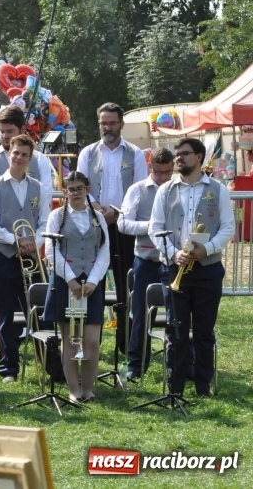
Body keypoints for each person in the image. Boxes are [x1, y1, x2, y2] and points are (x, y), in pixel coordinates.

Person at [0, 105, 54, 363]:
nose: (4, 136)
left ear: (22, 130)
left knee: (35, 297)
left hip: (32, 243)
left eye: (10, 131)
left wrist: (32, 241)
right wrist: (13, 238)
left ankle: (44, 353)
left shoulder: (40, 161)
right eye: (2, 131)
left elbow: (45, 200)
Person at [149, 138, 233, 398]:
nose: (178, 159)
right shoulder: (166, 190)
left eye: (184, 154)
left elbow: (228, 228)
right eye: (177, 155)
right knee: (176, 329)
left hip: (207, 269)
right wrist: (173, 255)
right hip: (177, 269)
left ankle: (202, 386)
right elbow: (155, 228)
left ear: (199, 157)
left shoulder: (218, 189)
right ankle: (175, 386)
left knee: (204, 330)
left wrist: (205, 250)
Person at [76, 102, 147, 352]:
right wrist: (98, 210)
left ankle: (126, 342)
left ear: (121, 124)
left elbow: (140, 190)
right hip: (94, 226)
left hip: (124, 226)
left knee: (125, 284)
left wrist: (117, 214)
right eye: (104, 123)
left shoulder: (136, 154)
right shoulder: (88, 152)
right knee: (92, 282)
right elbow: (80, 187)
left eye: (112, 123)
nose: (108, 127)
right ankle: (90, 342)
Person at [0, 134, 51, 383]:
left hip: (31, 258)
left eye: (25, 154)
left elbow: (45, 222)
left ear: (30, 158)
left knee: (38, 311)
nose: (20, 158)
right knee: (4, 315)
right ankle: (8, 368)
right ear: (9, 154)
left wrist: (35, 242)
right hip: (3, 255)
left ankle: (50, 363)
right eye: (16, 153)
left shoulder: (39, 188)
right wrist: (16, 241)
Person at [43, 171, 110, 403]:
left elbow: (104, 249)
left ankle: (89, 388)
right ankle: (74, 390)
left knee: (91, 339)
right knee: (71, 339)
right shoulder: (56, 216)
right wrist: (71, 279)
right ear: (64, 192)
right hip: (66, 282)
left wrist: (93, 280)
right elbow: (51, 250)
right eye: (71, 189)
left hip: (91, 282)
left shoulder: (98, 217)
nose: (75, 193)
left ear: (87, 190)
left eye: (80, 189)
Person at [118, 147, 174, 380]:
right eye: (158, 172)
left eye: (167, 172)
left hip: (173, 261)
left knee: (177, 313)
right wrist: (150, 226)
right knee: (140, 313)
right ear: (150, 166)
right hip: (146, 259)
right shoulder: (137, 189)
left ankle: (178, 364)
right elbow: (123, 223)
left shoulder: (177, 189)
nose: (162, 178)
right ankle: (136, 365)